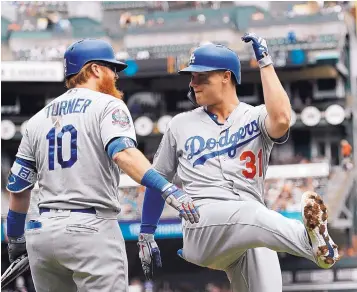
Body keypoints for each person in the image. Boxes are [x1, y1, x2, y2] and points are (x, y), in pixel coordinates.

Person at [136, 34, 340, 291]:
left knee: (261, 256)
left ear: (225, 76)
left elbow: (282, 119)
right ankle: (313, 245)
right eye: (191, 76)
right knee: (252, 213)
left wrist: (265, 62)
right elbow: (158, 178)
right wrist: (146, 232)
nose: (193, 83)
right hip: (203, 223)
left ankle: (314, 244)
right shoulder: (180, 124)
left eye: (201, 76)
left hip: (250, 227)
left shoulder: (254, 117)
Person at [5, 39, 199, 292]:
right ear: (95, 69)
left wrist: (16, 240)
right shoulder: (107, 105)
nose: (115, 76)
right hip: (90, 229)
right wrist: (167, 188)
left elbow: (19, 189)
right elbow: (123, 154)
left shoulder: (37, 119)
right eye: (111, 69)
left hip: (43, 234)